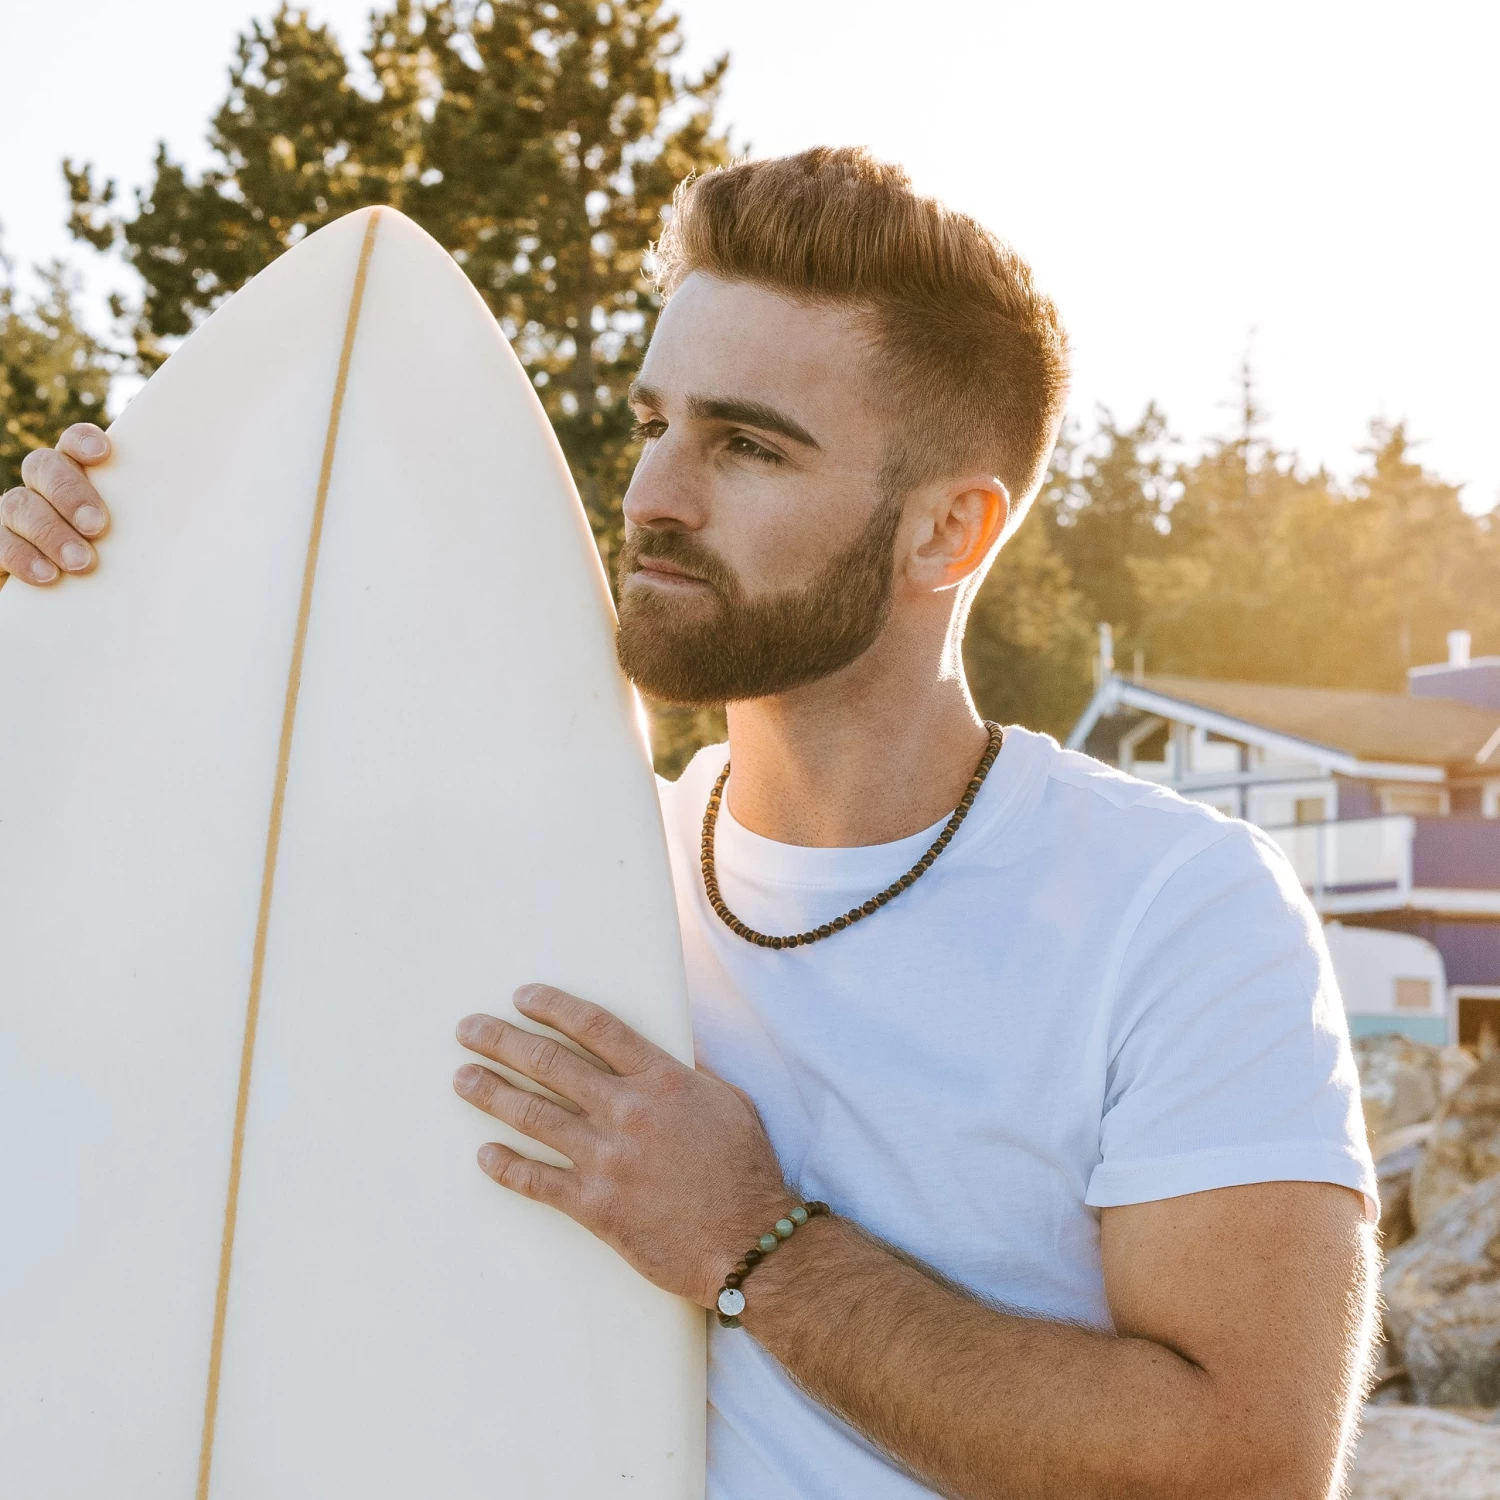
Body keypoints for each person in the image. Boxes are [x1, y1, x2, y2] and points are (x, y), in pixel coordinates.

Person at [1, 148, 1377, 1500]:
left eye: (747, 445)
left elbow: (1253, 1467)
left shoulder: (1175, 910)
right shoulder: (550, 871)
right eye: (656, 422)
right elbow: (145, 1041)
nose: (654, 493)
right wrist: (88, 625)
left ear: (947, 535)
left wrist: (750, 1243)